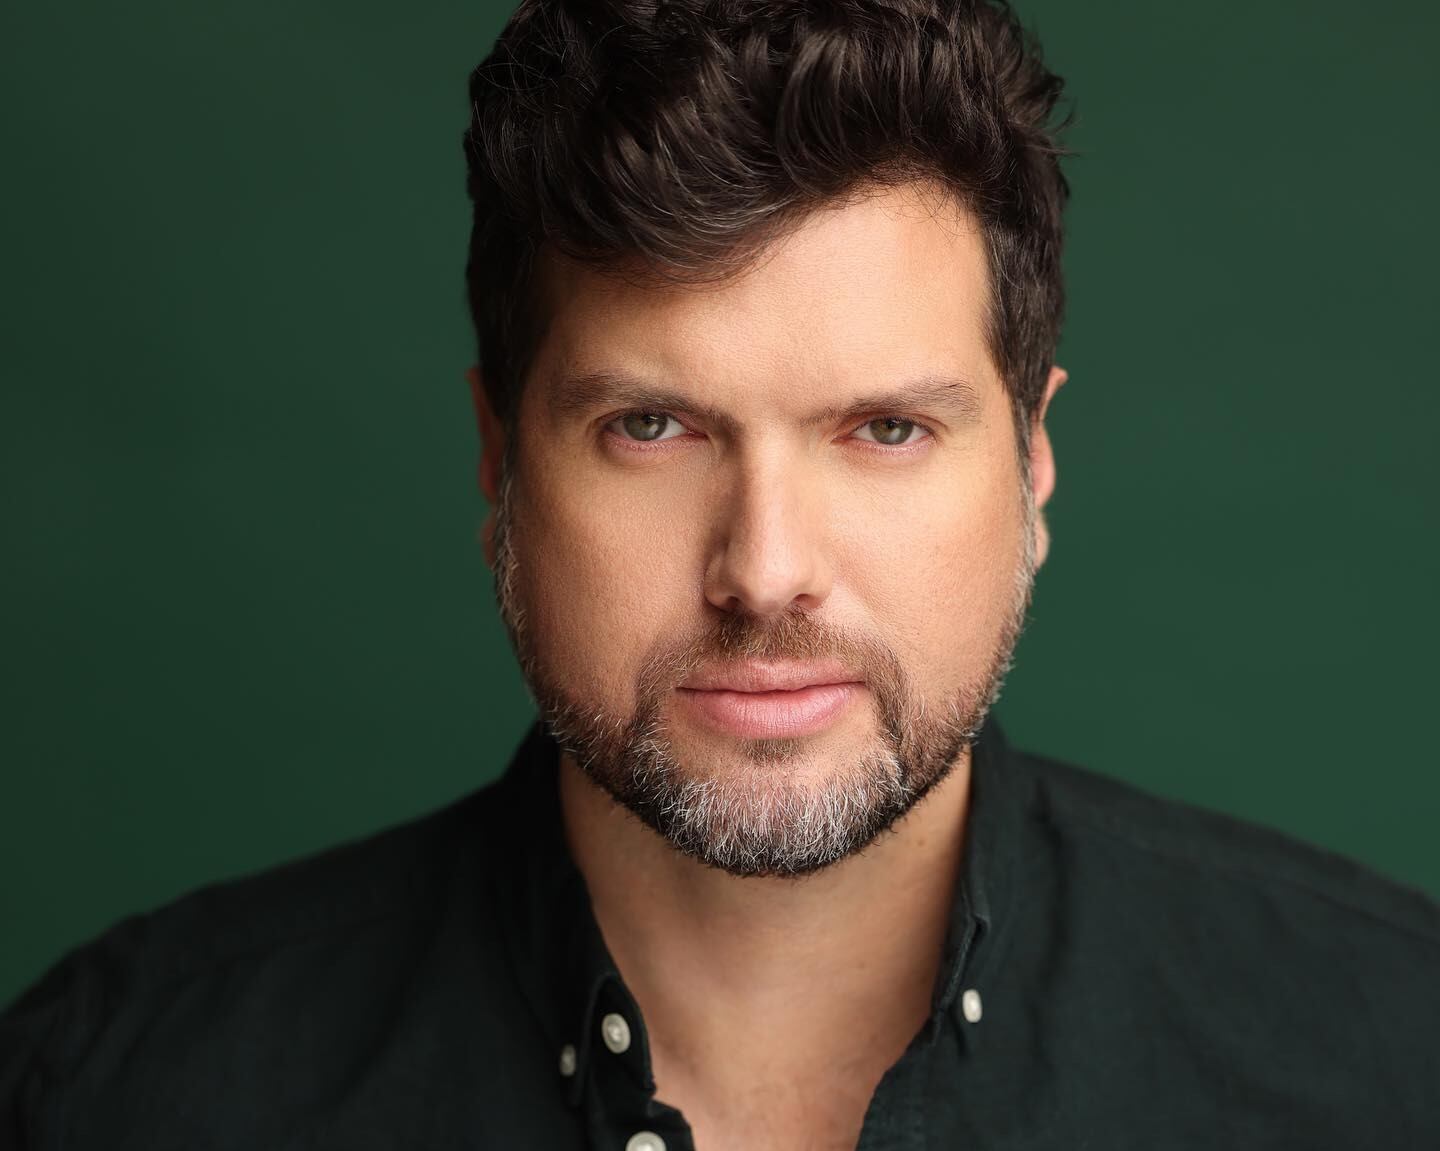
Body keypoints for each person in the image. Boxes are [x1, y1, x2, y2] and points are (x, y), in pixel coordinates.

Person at [4, 0, 1438, 1146]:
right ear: (499, 458)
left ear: (1033, 463)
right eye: (652, 427)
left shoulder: (1389, 1057)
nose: (765, 572)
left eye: (885, 430)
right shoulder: (117, 1093)